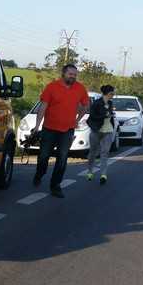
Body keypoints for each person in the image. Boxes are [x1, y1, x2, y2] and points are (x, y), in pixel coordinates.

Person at [31, 64, 90, 198]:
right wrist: (37, 126)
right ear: (63, 74)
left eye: (75, 74)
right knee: (43, 157)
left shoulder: (80, 88)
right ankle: (40, 173)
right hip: (49, 129)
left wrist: (78, 119)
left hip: (67, 129)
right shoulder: (52, 87)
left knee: (62, 159)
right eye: (70, 74)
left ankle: (55, 185)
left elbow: (86, 104)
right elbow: (43, 106)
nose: (73, 77)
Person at [86, 85, 115, 185]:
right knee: (93, 153)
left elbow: (109, 113)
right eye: (112, 93)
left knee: (105, 152)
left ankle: (103, 174)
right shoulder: (97, 103)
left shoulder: (110, 103)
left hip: (108, 130)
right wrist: (104, 116)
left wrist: (111, 115)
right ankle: (90, 172)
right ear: (107, 93)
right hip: (96, 130)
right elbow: (92, 116)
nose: (113, 95)